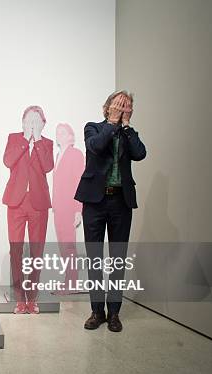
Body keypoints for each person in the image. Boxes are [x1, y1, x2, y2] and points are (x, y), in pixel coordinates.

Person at [74, 91, 146, 332]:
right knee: (94, 257)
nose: (122, 108)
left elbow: (140, 153)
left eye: (126, 106)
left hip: (121, 202)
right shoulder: (93, 128)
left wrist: (126, 126)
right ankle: (97, 311)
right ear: (107, 107)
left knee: (117, 259)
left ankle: (114, 312)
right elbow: (95, 147)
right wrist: (113, 123)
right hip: (94, 201)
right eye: (118, 105)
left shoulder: (127, 134)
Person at [3, 106, 54, 314]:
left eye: (37, 120)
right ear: (22, 122)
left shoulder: (47, 144)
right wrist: (26, 140)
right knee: (15, 251)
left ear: (43, 123)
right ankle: (19, 299)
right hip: (16, 203)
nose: (32, 124)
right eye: (29, 120)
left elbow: (48, 167)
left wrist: (38, 140)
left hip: (38, 205)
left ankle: (32, 299)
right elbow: (8, 161)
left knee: (36, 252)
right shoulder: (14, 138)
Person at [52, 123, 84, 294]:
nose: (59, 135)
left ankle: (72, 283)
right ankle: (68, 281)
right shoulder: (58, 155)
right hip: (58, 208)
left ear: (70, 136)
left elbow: (80, 182)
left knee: (69, 246)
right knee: (63, 246)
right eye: (57, 132)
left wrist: (78, 210)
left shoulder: (75, 154)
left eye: (62, 132)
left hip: (70, 207)